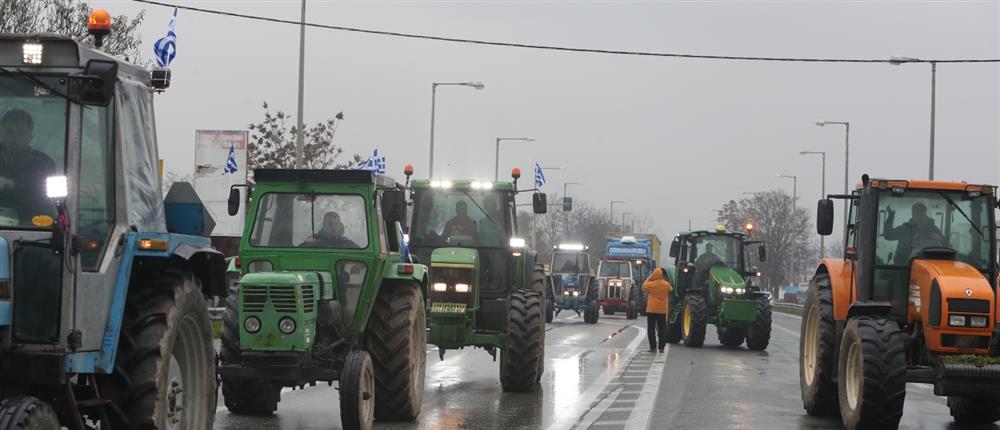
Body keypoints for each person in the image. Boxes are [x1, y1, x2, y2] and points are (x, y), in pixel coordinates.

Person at [0, 109, 57, 223]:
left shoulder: (44, 164)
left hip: (34, 229)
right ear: (1, 133)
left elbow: (45, 200)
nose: (14, 138)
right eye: (9, 132)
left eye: (20, 133)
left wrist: (10, 185)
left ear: (30, 136)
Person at [642, 267, 673, 353]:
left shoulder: (651, 284)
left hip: (651, 310)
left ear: (654, 275)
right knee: (662, 329)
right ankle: (661, 348)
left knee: (651, 329)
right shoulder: (666, 284)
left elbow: (643, 287)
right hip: (662, 310)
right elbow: (671, 289)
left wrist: (649, 278)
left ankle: (653, 348)